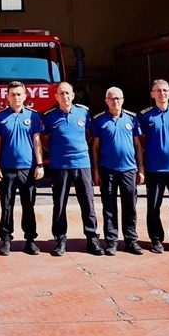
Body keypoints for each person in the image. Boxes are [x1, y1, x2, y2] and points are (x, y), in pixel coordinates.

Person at [42, 82, 103, 256]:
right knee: (60, 204)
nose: (65, 96)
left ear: (73, 95)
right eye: (61, 93)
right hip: (60, 166)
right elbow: (44, 140)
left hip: (82, 164)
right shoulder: (50, 116)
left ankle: (92, 238)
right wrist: (56, 152)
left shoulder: (83, 112)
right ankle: (60, 239)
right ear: (56, 97)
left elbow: (89, 135)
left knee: (88, 203)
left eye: (68, 93)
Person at [91, 87, 145, 256]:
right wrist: (95, 170)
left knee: (130, 206)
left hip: (129, 169)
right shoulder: (99, 120)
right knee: (109, 207)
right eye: (112, 99)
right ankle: (112, 241)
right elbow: (95, 147)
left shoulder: (132, 119)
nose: (115, 101)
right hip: (108, 170)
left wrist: (141, 168)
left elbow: (138, 145)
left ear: (123, 100)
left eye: (118, 98)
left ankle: (131, 240)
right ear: (106, 101)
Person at [0, 81, 44, 256]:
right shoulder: (0, 117)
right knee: (7, 205)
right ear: (7, 97)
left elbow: (37, 141)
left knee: (28, 205)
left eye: (19, 94)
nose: (16, 97)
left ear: (25, 96)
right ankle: (6, 240)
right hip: (7, 168)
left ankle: (30, 240)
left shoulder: (33, 116)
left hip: (28, 169)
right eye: (13, 94)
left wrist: (40, 164)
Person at [138, 79, 169, 254]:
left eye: (165, 90)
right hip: (154, 169)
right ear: (152, 94)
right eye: (158, 91)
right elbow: (141, 140)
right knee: (153, 207)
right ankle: (156, 240)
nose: (162, 93)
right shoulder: (145, 116)